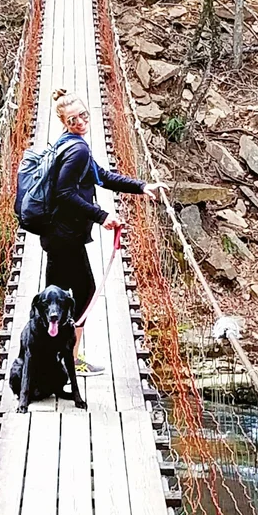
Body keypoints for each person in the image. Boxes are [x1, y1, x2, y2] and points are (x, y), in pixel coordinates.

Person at [43, 87, 163, 374]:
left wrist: (141, 187)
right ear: (64, 122)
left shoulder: (68, 143)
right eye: (73, 120)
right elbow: (64, 192)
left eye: (84, 115)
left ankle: (52, 359)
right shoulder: (77, 149)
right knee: (84, 294)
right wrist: (102, 215)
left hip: (56, 234)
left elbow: (102, 177)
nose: (81, 122)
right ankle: (69, 359)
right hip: (65, 238)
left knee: (54, 296)